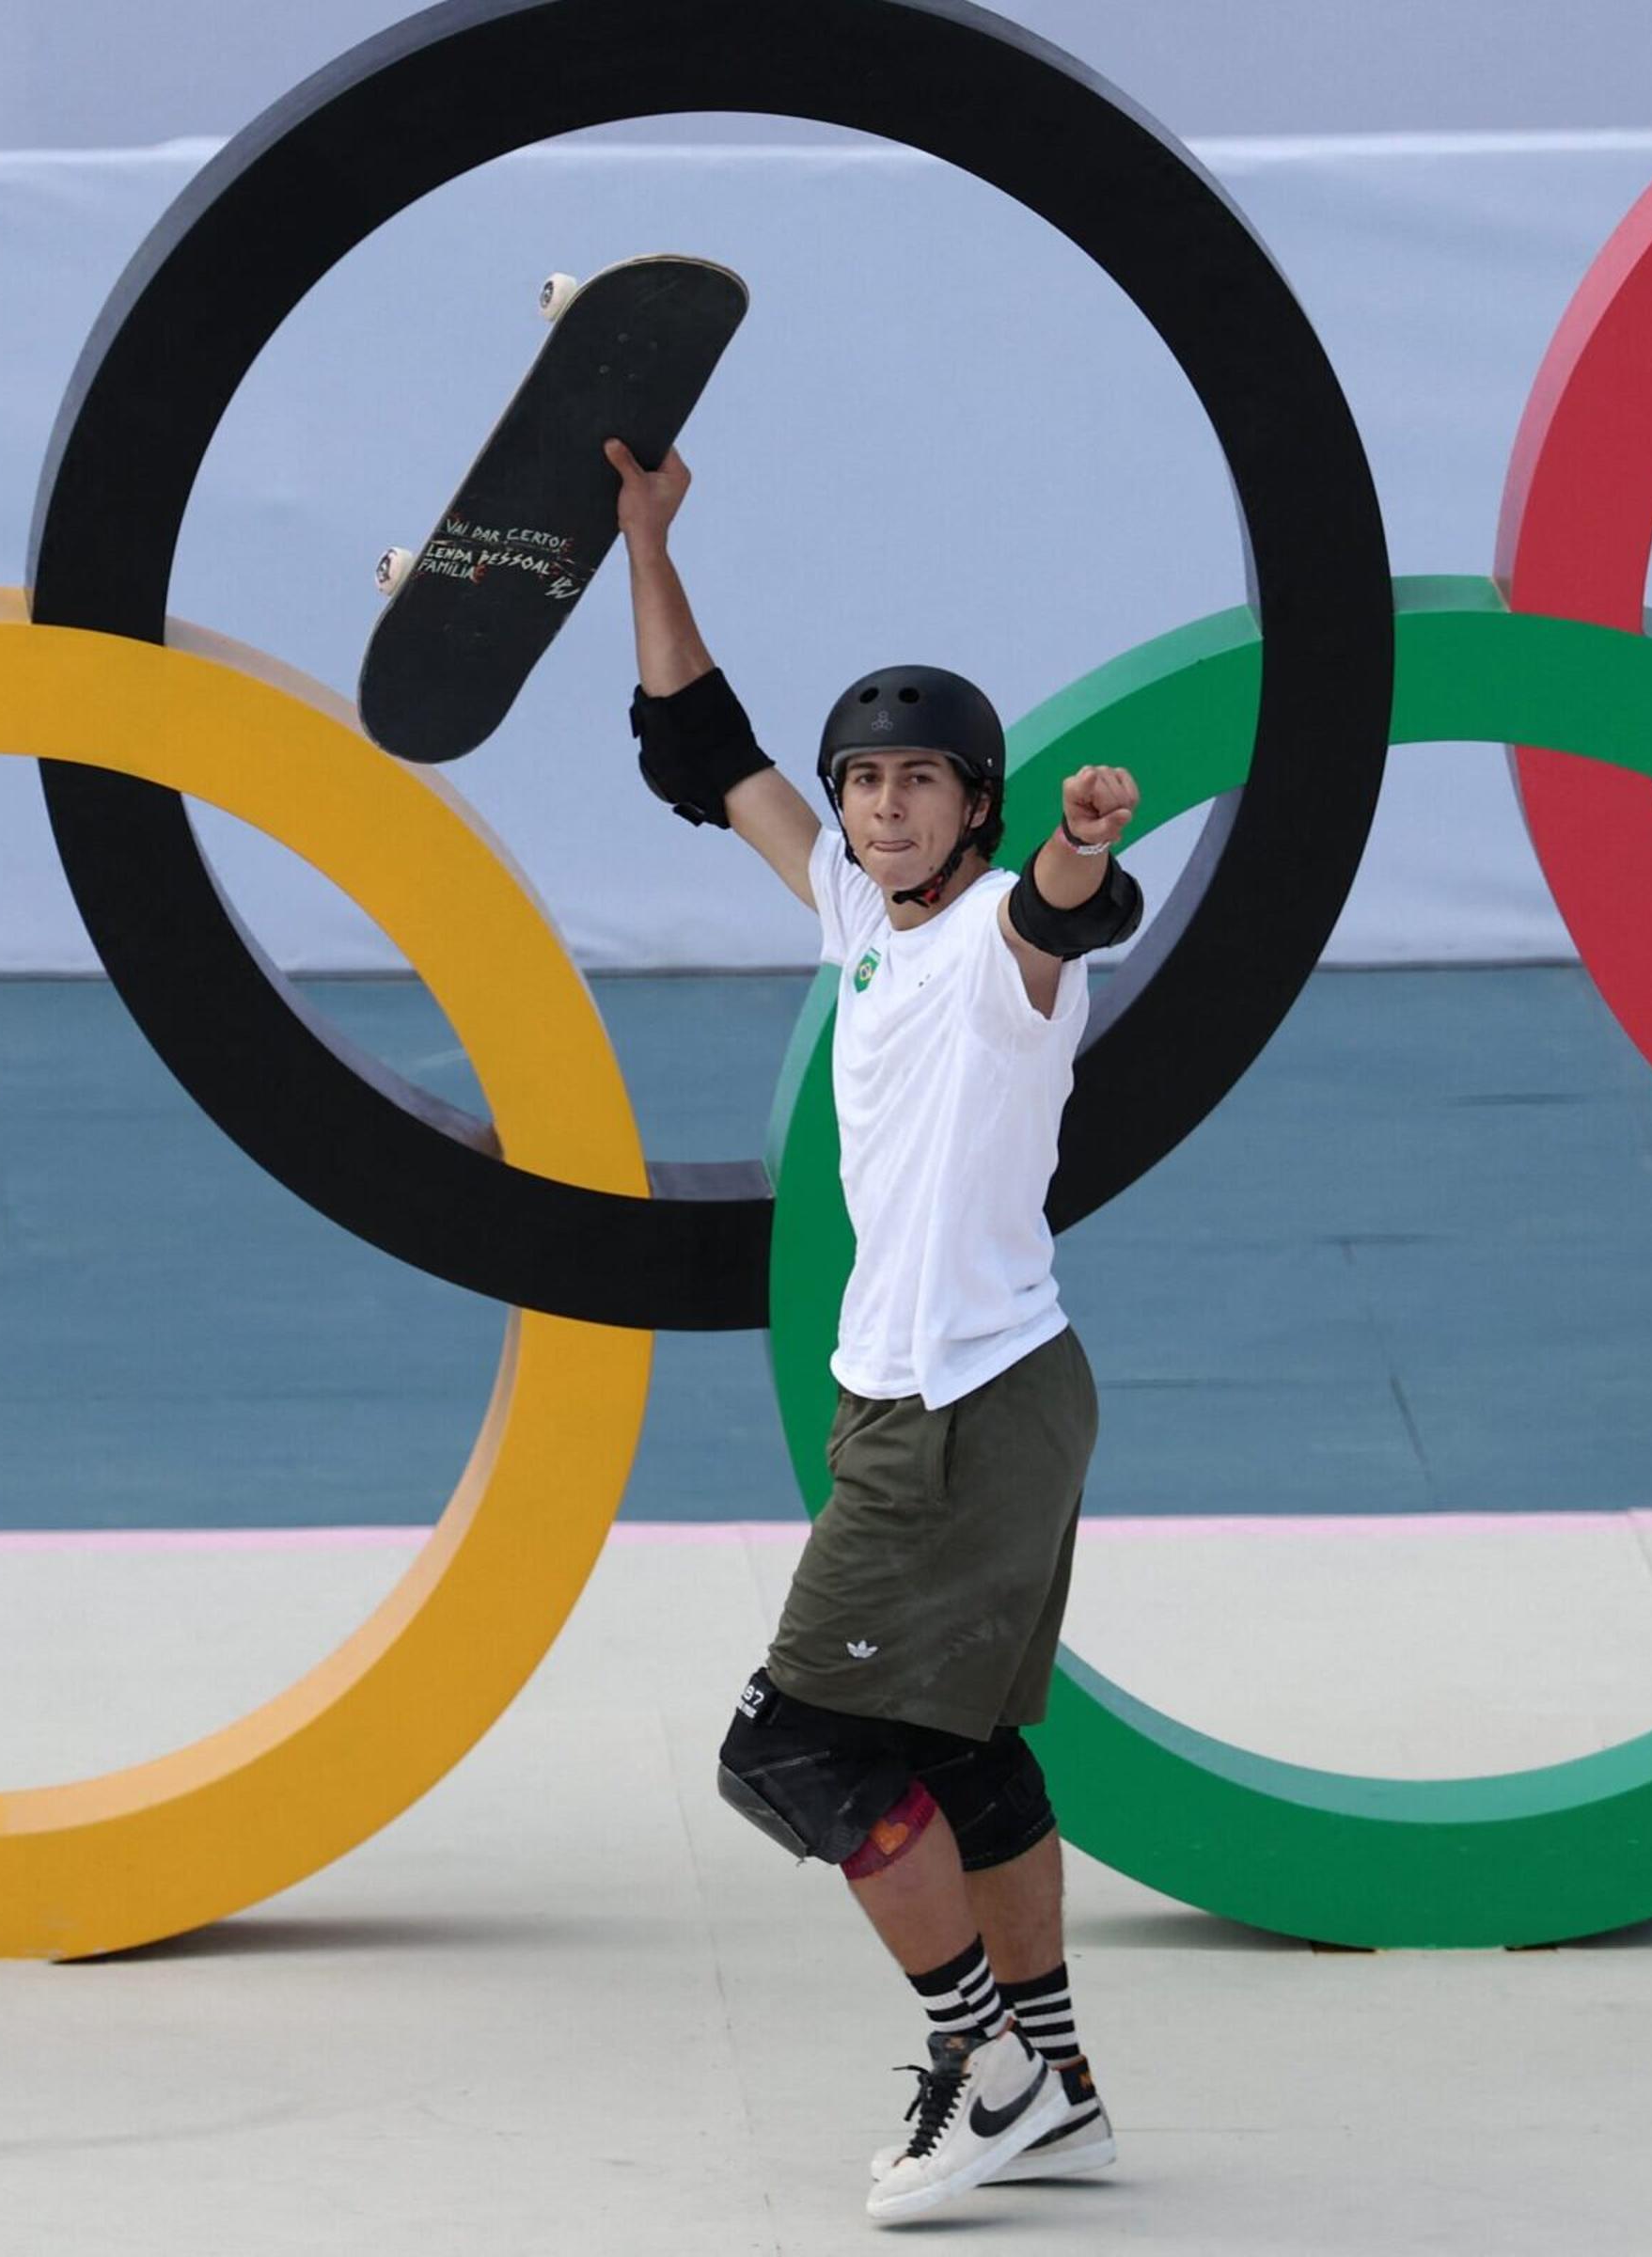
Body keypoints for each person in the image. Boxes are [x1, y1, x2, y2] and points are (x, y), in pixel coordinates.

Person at [606, 437, 1144, 2226]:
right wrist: (647, 539)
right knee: (963, 1754)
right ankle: (1057, 2086)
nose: (887, 805)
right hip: (952, 1398)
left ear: (979, 809)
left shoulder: (1005, 933)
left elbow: (1075, 914)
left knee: (798, 1749)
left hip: (964, 1406)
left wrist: (1076, 850)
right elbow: (701, 750)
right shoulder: (857, 909)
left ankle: (977, 2065)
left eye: (924, 782)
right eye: (867, 781)